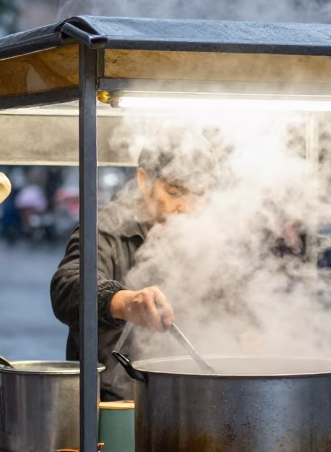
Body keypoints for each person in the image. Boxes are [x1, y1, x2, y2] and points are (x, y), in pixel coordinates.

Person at [51, 130, 218, 400]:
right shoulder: (106, 229)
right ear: (144, 180)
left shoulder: (212, 237)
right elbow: (67, 287)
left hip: (195, 398)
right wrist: (126, 302)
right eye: (174, 192)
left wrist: (253, 334)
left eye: (199, 194)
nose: (186, 207)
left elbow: (236, 303)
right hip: (116, 405)